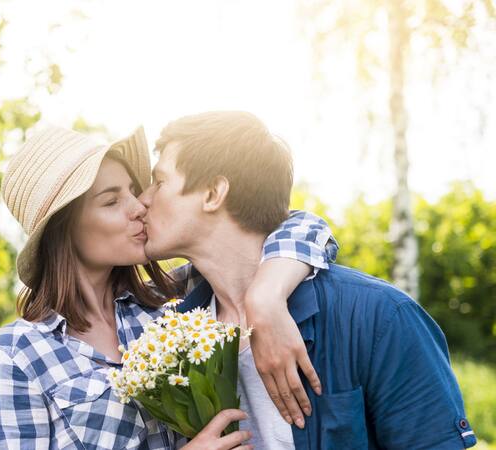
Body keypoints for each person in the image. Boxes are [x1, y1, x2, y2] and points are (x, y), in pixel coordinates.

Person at [0, 124, 338, 449]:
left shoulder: (172, 304)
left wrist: (267, 295)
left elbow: (299, 226)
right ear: (64, 229)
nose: (139, 206)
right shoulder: (17, 353)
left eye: (133, 191)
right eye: (111, 201)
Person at [138, 110, 477, 449]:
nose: (144, 200)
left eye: (160, 182)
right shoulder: (169, 334)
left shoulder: (380, 317)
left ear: (213, 193)